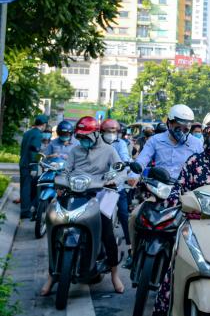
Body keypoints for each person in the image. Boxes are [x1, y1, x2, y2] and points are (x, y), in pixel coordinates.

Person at [152, 109, 210, 316]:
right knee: (175, 265)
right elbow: (180, 186)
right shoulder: (194, 162)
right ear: (206, 134)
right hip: (194, 223)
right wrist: (174, 197)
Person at [40, 116, 124, 296]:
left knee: (107, 230)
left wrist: (114, 181)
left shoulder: (109, 151)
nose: (82, 140)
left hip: (99, 193)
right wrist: (60, 184)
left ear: (96, 134)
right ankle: (52, 275)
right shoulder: (75, 151)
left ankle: (115, 275)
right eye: (80, 136)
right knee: (55, 224)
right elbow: (65, 171)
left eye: (86, 136)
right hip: (74, 192)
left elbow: (121, 170)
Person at [127, 104, 203, 267]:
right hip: (158, 191)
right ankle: (133, 253)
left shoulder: (196, 144)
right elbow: (142, 159)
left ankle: (181, 263)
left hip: (184, 195)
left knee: (190, 228)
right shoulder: (155, 140)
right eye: (178, 126)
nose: (182, 131)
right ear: (169, 123)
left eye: (186, 127)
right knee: (134, 217)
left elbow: (201, 169)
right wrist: (133, 175)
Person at [100, 119, 133, 267]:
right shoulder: (96, 144)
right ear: (101, 132)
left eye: (114, 132)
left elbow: (125, 159)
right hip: (96, 187)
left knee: (125, 216)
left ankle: (131, 248)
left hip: (114, 188)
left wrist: (123, 166)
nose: (111, 134)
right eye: (108, 131)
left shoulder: (120, 144)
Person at [17, 114, 48, 218]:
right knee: (27, 188)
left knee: (24, 187)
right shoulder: (38, 134)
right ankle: (25, 212)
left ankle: (24, 209)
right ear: (43, 125)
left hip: (23, 163)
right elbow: (33, 151)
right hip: (30, 165)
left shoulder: (28, 133)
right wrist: (34, 167)